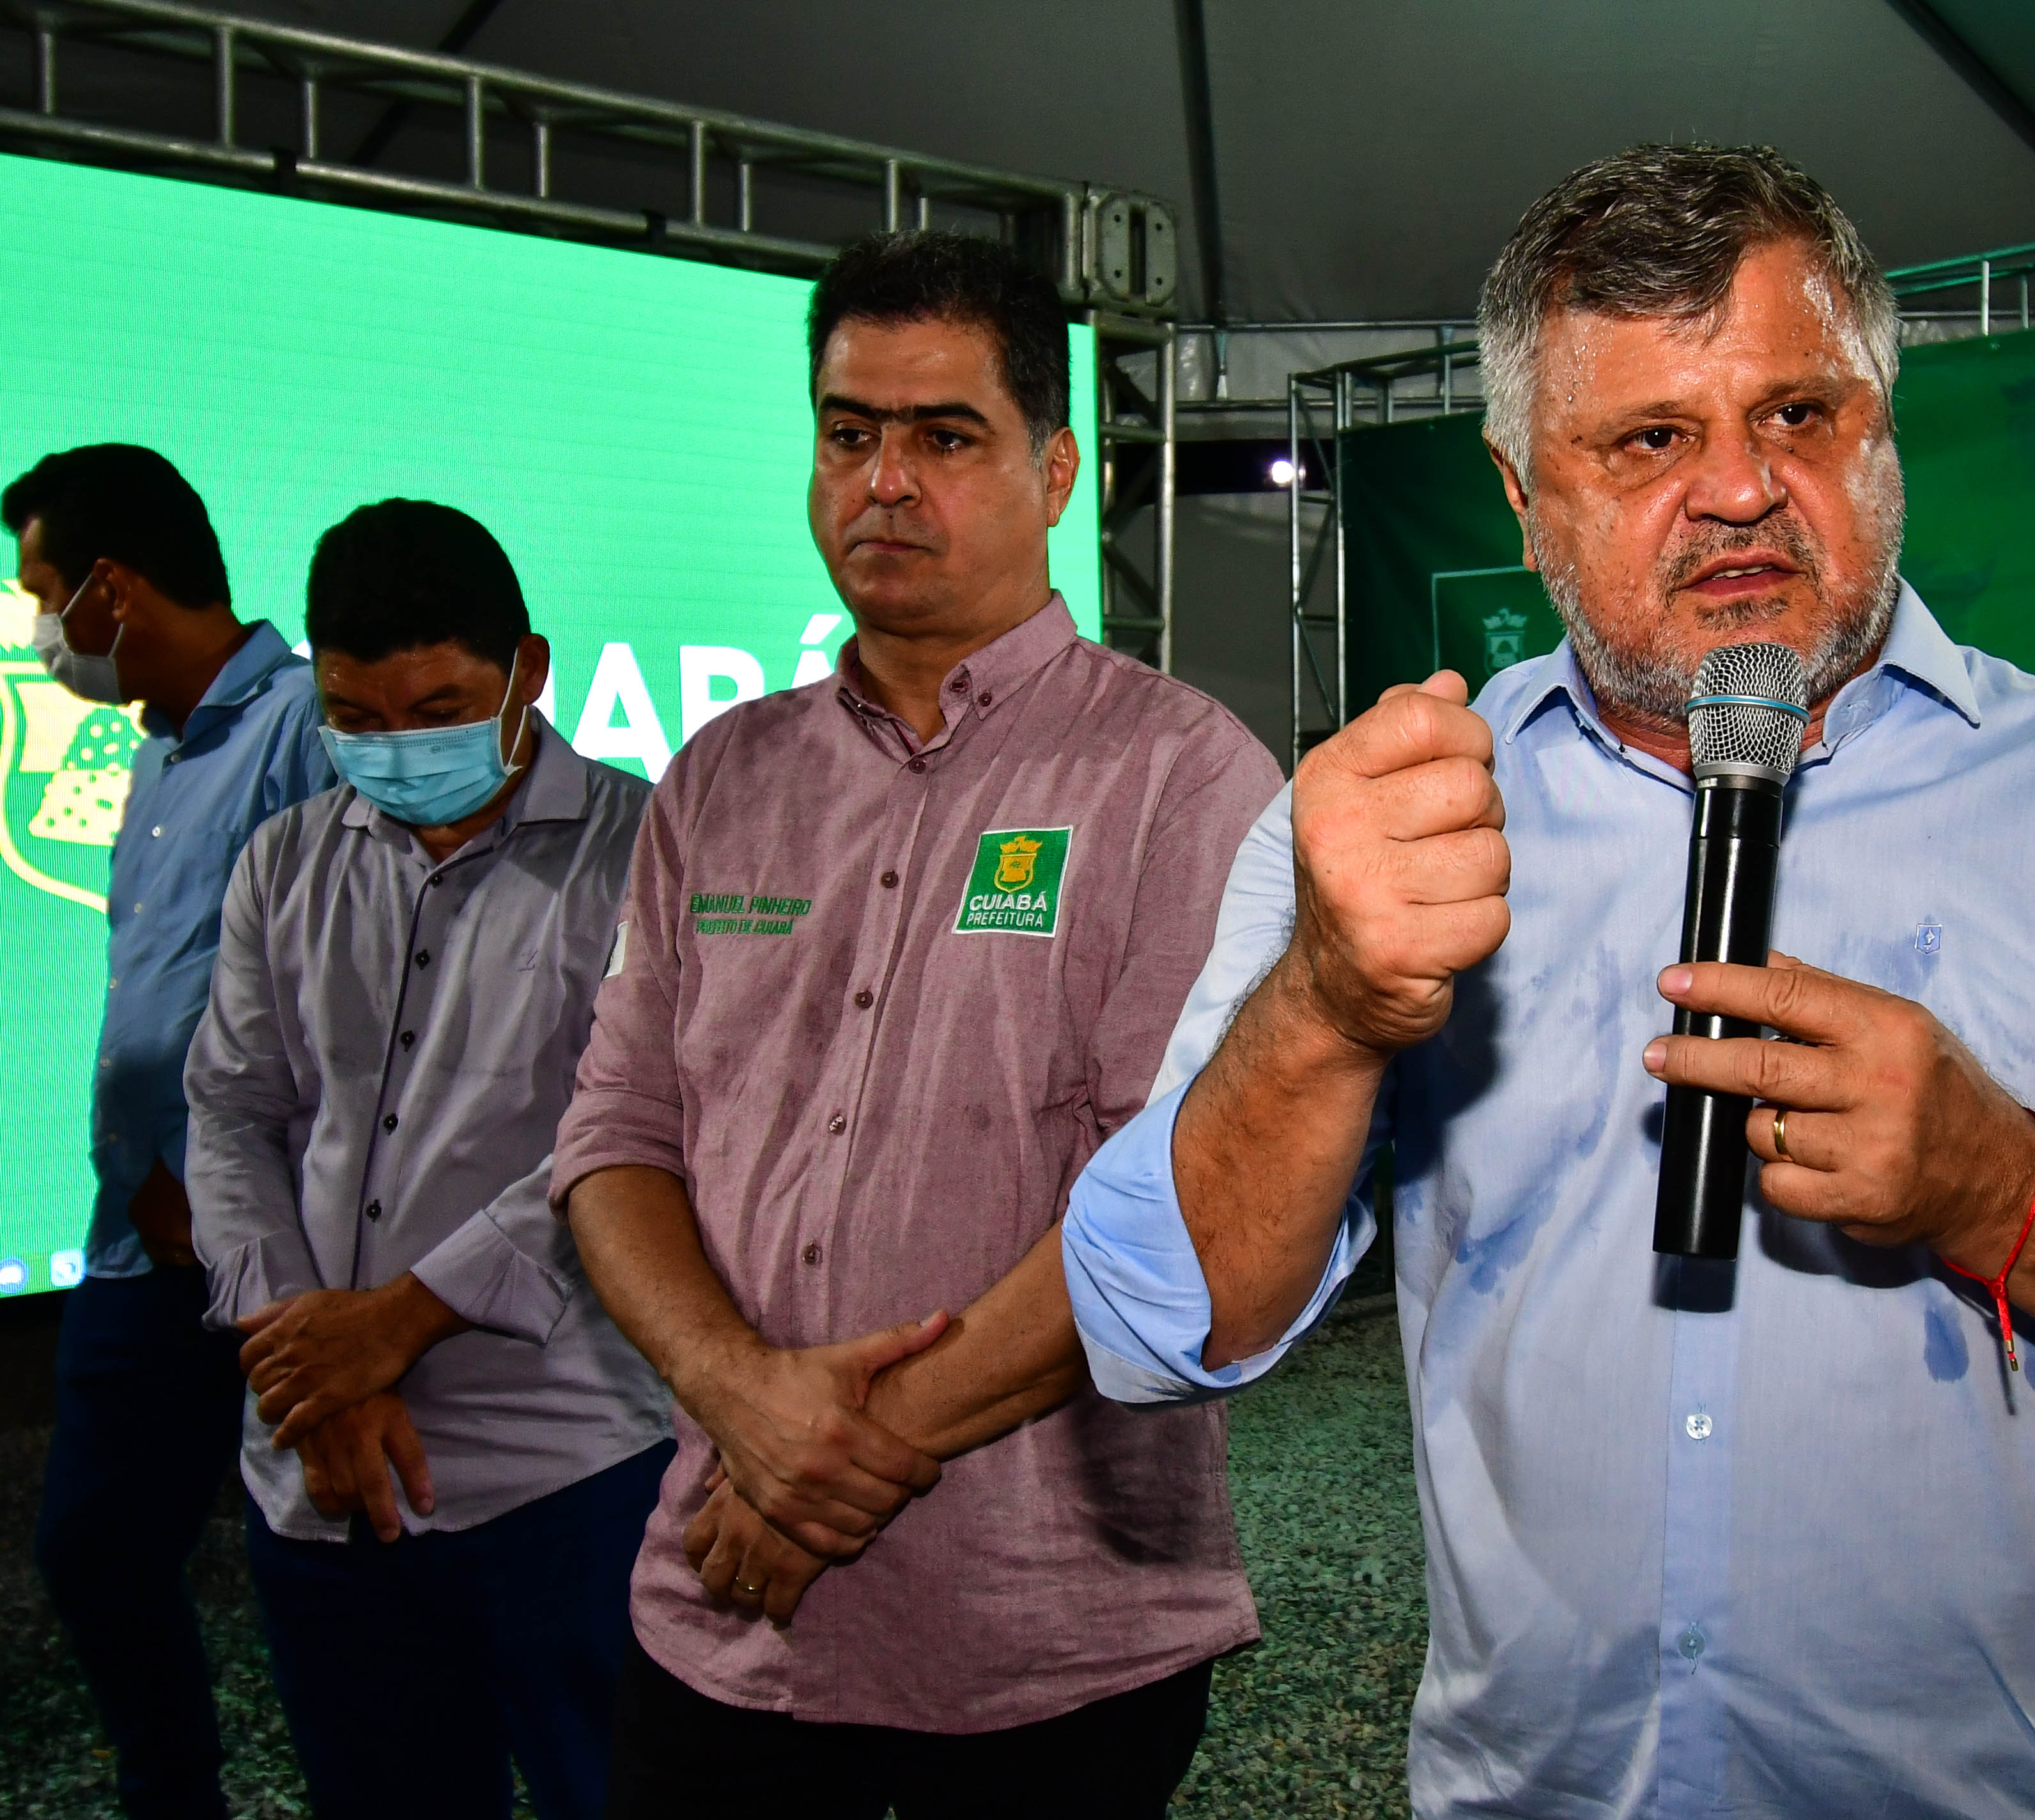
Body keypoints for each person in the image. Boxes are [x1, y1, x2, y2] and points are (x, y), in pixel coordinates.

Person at [1061, 144, 2035, 1816]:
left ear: (1883, 431)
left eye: (1799, 414)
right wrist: (1329, 1009)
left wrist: (2014, 1192)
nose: (1743, 490)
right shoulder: (1395, 827)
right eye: (1650, 440)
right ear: (1521, 495)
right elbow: (1149, 1321)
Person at [552, 229, 1281, 1819]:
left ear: (1055, 471)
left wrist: (817, 1466)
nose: (884, 481)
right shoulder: (720, 777)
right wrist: (740, 1395)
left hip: (1042, 1638)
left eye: (945, 436)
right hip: (723, 1614)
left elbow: (1174, 1197)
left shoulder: (1181, 777)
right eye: (849, 433)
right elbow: (615, 1139)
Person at [182, 499, 672, 1818]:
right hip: (319, 1475)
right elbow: (231, 1110)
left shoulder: (651, 853)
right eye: (356, 717)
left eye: (439, 710)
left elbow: (632, 1132)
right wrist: (309, 1354)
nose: (397, 749)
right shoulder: (285, 860)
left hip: (563, 1471)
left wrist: (401, 1320)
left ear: (529, 671)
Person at [12, 443, 334, 1820]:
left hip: (277, 1244)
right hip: (144, 1239)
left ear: (113, 585)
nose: (42, 631)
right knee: (94, 1548)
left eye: (45, 596)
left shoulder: (304, 724)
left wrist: (237, 1194)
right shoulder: (152, 749)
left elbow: (355, 989)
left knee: (322, 1570)